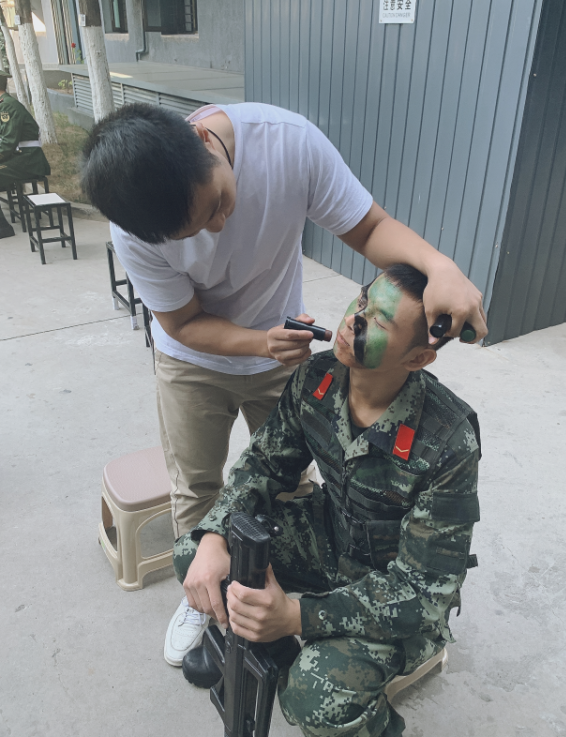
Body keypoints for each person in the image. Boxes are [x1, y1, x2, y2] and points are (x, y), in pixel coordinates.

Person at [80, 102, 486, 667]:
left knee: (293, 487)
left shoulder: (289, 146)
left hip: (278, 353)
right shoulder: (136, 229)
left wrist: (440, 266)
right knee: (198, 496)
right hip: (194, 356)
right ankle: (207, 600)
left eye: (217, 204)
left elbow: (369, 227)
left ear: (204, 140)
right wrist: (259, 342)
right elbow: (184, 323)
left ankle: (291, 606)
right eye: (195, 231)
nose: (218, 228)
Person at [174, 264, 481, 737]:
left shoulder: (448, 440)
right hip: (328, 540)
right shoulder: (318, 378)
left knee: (313, 697)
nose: (354, 320)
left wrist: (297, 617)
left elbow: (423, 594)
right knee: (195, 555)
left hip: (392, 590)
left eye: (379, 322)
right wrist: (216, 536)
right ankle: (269, 655)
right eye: (362, 301)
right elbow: (263, 465)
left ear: (418, 358)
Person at [0, 71, 50, 239]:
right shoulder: (3, 105)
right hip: (18, 157)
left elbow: (7, 143)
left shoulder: (7, 106)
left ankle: (3, 229)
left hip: (28, 160)